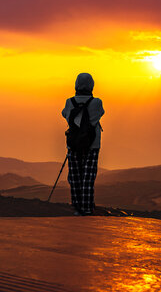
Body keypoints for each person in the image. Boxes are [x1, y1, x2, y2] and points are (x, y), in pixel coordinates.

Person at [61, 73, 104, 216]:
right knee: (88, 176)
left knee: (75, 175)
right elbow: (99, 114)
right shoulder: (97, 102)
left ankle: (77, 207)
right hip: (92, 144)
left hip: (73, 144)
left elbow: (64, 114)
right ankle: (87, 207)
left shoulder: (69, 102)